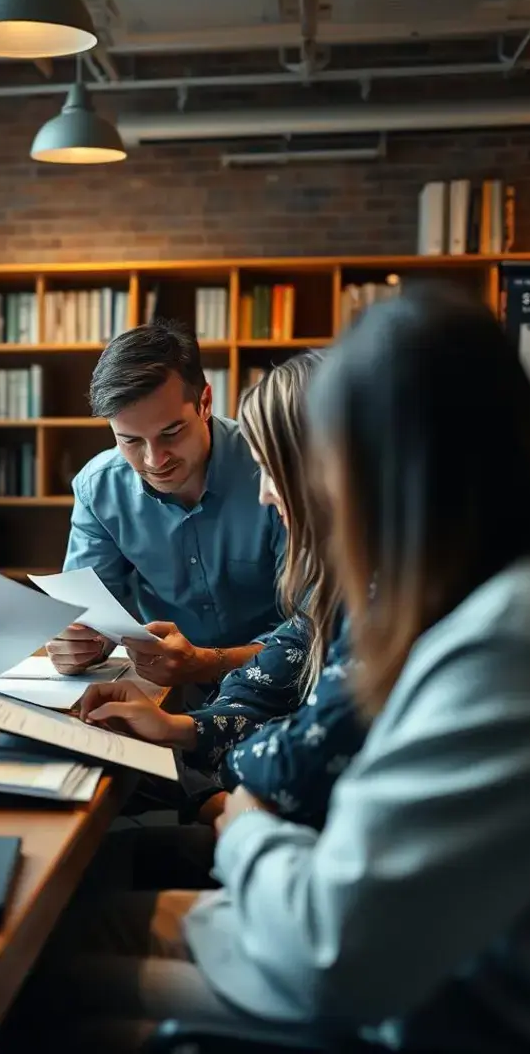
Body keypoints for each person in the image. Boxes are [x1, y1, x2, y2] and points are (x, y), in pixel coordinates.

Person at [23, 289, 530, 1053]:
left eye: (309, 465)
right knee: (78, 933)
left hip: (454, 1009)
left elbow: (343, 953)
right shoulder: (505, 593)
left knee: (54, 990)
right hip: (424, 960)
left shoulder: (513, 640)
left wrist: (244, 823)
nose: (281, 494)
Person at [78, 353, 367, 833]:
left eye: (273, 473)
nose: (265, 496)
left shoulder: (381, 599)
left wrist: (210, 794)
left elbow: (306, 751)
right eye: (131, 441)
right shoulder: (354, 580)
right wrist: (179, 730)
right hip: (229, 752)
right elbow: (286, 660)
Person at [47, 322, 284, 688]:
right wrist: (79, 646)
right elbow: (90, 619)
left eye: (171, 433)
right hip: (166, 695)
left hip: (282, 688)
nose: (155, 460)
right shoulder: (100, 490)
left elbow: (316, 628)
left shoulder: (273, 470)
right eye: (130, 441)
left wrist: (208, 663)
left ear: (204, 402)